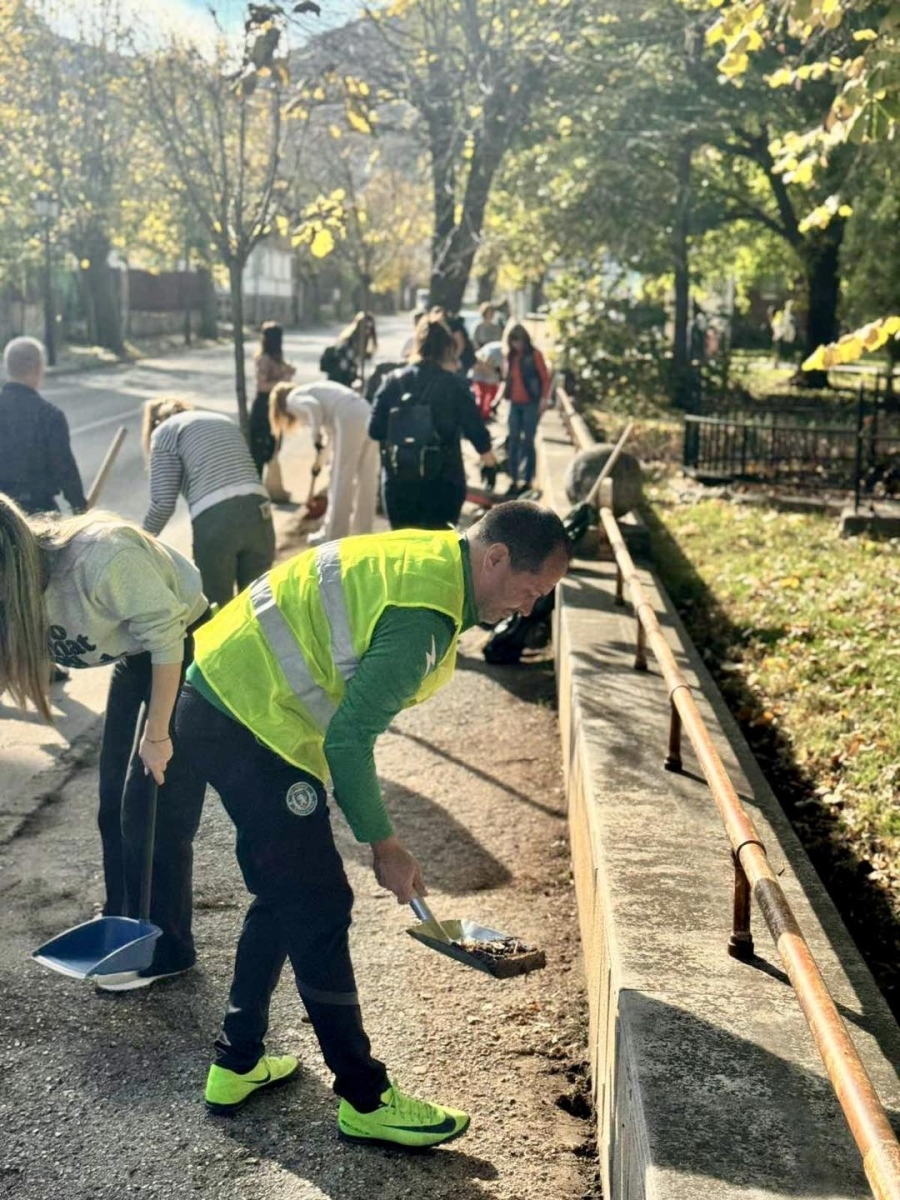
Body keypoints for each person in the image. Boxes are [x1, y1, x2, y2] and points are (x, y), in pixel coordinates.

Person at [175, 500, 570, 1143]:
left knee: (286, 891)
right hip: (246, 718)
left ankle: (237, 1060)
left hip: (228, 697)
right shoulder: (423, 617)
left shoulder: (433, 556)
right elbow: (350, 739)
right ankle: (364, 1098)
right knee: (320, 902)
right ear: (495, 558)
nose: (528, 610)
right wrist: (384, 844)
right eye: (531, 591)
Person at [0, 495, 209, 990]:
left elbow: (166, 640)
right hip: (134, 656)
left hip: (182, 649)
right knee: (111, 805)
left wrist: (158, 734)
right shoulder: (14, 592)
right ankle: (123, 923)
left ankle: (169, 947)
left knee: (151, 808)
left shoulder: (104, 557)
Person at [141, 398, 275, 609]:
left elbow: (163, 503)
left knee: (217, 609)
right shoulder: (221, 420)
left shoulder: (164, 433)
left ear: (154, 422)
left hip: (217, 521)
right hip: (260, 511)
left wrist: (141, 540)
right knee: (260, 604)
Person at [368, 312, 496, 530]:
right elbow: (476, 430)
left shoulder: (392, 381)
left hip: (399, 484)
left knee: (404, 553)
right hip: (443, 483)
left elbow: (374, 430)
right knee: (437, 554)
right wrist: (490, 461)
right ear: (449, 349)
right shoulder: (455, 385)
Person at [269, 381, 379, 545]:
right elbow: (328, 439)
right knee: (367, 479)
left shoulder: (294, 398)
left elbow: (313, 409)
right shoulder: (314, 390)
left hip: (347, 416)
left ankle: (333, 536)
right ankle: (363, 534)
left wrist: (315, 436)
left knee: (340, 479)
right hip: (365, 411)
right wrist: (319, 462)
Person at [0, 337, 86, 515]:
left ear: (7, 368)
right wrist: (80, 509)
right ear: (39, 368)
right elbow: (65, 469)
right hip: (38, 514)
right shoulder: (49, 416)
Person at [501, 322, 551, 495]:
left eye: (519, 341)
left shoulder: (534, 355)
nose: (517, 345)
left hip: (530, 402)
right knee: (513, 440)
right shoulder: (511, 356)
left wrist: (544, 399)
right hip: (514, 403)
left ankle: (527, 480)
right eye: (514, 342)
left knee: (528, 441)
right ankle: (513, 478)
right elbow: (508, 379)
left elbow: (545, 378)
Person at [250, 322, 296, 498]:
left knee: (273, 448)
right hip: (263, 408)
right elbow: (262, 385)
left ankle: (269, 488)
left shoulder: (277, 357)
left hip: (277, 407)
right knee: (259, 451)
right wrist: (284, 380)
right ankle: (256, 491)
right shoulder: (264, 359)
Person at [321, 312, 378, 388]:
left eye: (370, 328)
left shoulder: (362, 341)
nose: (367, 331)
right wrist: (355, 376)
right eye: (365, 327)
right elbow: (345, 363)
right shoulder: (350, 340)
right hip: (339, 378)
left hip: (346, 377)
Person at [471, 340, 504, 421]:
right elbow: (484, 364)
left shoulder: (501, 350)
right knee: (481, 396)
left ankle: (484, 414)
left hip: (490, 373)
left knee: (490, 396)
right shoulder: (496, 351)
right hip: (481, 373)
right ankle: (479, 416)